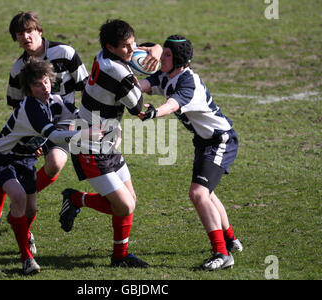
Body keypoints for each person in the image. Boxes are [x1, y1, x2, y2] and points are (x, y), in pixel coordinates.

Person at [58, 19, 162, 268]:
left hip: (108, 138)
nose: (132, 49)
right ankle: (75, 200)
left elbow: (139, 51)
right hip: (89, 145)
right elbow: (138, 109)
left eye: (132, 43)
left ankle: (119, 257)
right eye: (125, 46)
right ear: (111, 47)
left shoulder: (104, 54)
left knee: (130, 201)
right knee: (124, 205)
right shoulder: (119, 73)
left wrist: (155, 48)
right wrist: (154, 109)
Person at [0, 58, 100, 275]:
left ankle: (23, 231)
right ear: (29, 88)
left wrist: (106, 124)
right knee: (17, 196)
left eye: (46, 82)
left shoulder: (55, 101)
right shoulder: (30, 107)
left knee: (31, 209)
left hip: (26, 160)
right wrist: (85, 134)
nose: (44, 87)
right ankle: (26, 259)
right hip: (2, 158)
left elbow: (79, 117)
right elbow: (55, 135)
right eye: (38, 84)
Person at [0, 11, 89, 226]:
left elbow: (86, 87)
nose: (25, 37)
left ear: (39, 31)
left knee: (54, 163)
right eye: (19, 33)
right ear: (15, 38)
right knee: (3, 155)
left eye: (29, 31)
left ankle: (23, 197)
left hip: (62, 119)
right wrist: (31, 136)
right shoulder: (18, 69)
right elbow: (16, 105)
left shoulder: (65, 52)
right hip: (35, 122)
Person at [137, 35, 243, 271]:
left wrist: (154, 113)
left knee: (198, 193)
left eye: (167, 55)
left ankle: (222, 254)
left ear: (179, 60)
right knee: (207, 193)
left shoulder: (188, 83)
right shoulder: (166, 75)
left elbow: (172, 105)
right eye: (163, 52)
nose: (162, 58)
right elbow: (142, 85)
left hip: (220, 140)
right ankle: (230, 239)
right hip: (204, 142)